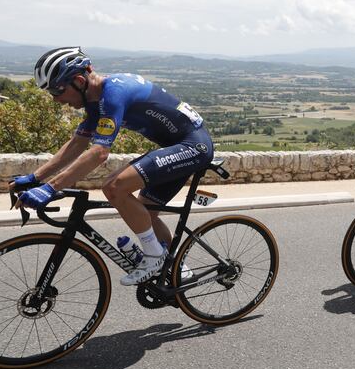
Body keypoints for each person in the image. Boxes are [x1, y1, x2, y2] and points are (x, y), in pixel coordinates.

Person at [13, 47, 213, 286]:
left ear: (78, 81)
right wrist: (36, 177)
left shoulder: (114, 92)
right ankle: (177, 270)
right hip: (174, 146)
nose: (56, 99)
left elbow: (99, 153)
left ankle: (154, 257)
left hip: (193, 146)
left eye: (57, 90)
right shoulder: (94, 102)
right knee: (145, 214)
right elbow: (78, 144)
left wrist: (50, 188)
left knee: (115, 187)